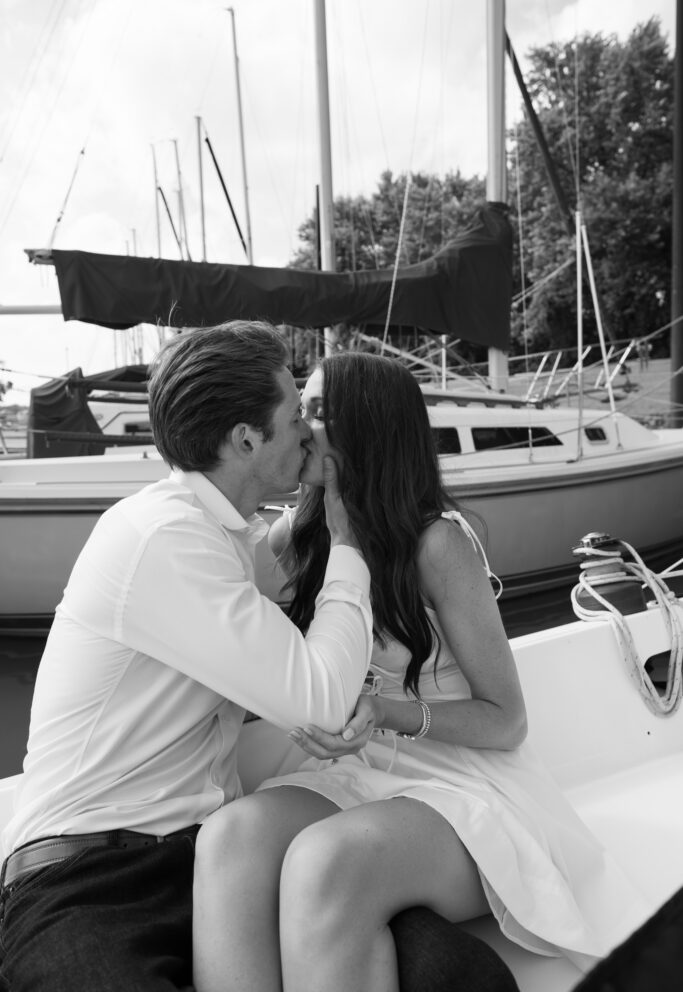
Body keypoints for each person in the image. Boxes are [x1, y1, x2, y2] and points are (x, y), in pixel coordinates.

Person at [192, 351, 652, 992]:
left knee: (326, 863)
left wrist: (387, 712)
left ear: (369, 429)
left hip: (464, 784)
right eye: (300, 410)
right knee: (229, 838)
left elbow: (508, 720)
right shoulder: (293, 539)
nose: (299, 426)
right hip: (351, 770)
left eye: (318, 412)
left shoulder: (439, 544)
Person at [0, 321, 375, 991]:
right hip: (88, 879)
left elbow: (282, 567)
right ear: (245, 439)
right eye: (296, 416)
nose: (307, 432)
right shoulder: (165, 538)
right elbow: (320, 696)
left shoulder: (217, 532)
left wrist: (329, 485)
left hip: (215, 859)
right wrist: (349, 537)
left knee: (449, 968)